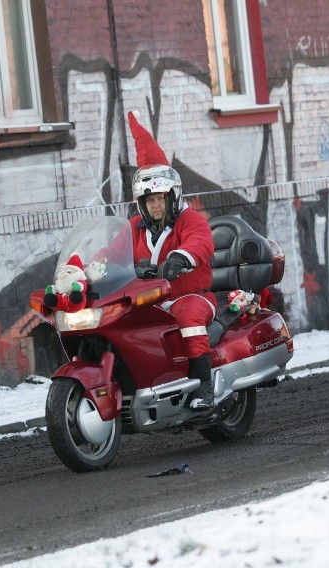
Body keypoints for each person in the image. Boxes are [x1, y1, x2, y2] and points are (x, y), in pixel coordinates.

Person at [127, 111, 217, 410]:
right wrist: (89, 268)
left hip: (191, 295)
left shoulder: (190, 219)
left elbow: (201, 242)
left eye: (160, 198)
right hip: (150, 301)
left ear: (172, 197)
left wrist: (179, 258)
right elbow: (108, 252)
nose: (155, 205)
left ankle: (204, 385)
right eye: (149, 200)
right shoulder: (133, 228)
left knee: (188, 318)